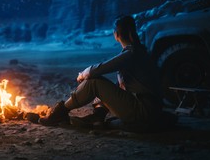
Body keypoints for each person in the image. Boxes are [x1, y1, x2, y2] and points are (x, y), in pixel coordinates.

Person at [39, 15, 169, 132]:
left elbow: (98, 69)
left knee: (94, 82)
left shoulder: (132, 53)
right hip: (149, 110)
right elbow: (118, 88)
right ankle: (98, 117)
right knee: (104, 83)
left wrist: (83, 74)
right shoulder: (139, 51)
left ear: (116, 35)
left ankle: (60, 112)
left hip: (143, 111)